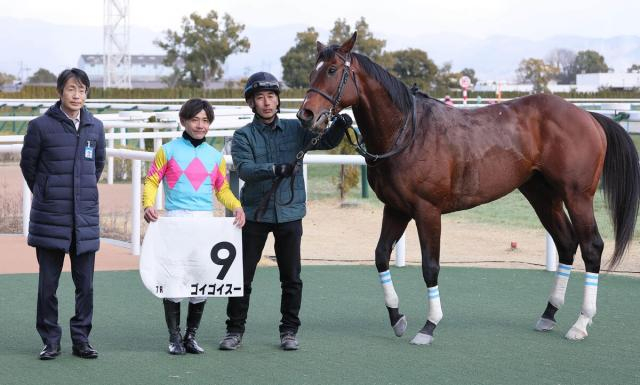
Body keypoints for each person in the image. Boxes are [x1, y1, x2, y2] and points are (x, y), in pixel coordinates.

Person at [218, 72, 351, 351]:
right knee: (242, 276)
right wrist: (276, 169)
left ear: (278, 100)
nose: (266, 103)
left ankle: (289, 331)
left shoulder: (296, 128)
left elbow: (324, 141)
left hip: (290, 214)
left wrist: (340, 126)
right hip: (254, 214)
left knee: (291, 277)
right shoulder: (243, 136)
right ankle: (234, 330)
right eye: (260, 98)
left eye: (271, 96)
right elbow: (245, 170)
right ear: (251, 104)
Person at [143, 98, 246, 355]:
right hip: (175, 221)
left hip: (204, 222)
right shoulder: (167, 150)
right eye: (195, 120)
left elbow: (221, 189)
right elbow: (152, 180)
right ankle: (174, 337)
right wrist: (148, 204)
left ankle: (190, 336)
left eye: (205, 121)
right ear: (184, 121)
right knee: (175, 279)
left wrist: (237, 206)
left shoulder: (215, 156)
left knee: (202, 279)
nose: (200, 125)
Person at [20, 68, 105, 360]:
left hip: (84, 219)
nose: (77, 95)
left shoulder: (95, 126)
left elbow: (97, 166)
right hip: (50, 217)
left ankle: (81, 339)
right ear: (60, 92)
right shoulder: (40, 126)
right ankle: (50, 340)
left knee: (86, 286)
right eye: (71, 89)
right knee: (48, 285)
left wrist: (82, 192)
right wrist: (45, 190)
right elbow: (28, 167)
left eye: (82, 89)